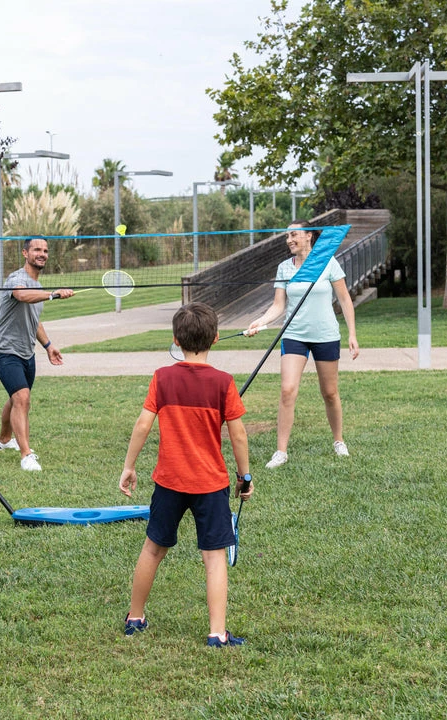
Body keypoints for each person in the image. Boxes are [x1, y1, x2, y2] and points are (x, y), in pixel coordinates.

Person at [118, 302, 253, 647]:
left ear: (175, 340)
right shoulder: (224, 382)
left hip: (169, 482)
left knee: (152, 549)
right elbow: (238, 435)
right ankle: (217, 633)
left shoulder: (162, 377)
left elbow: (143, 424)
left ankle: (135, 617)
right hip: (210, 484)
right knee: (214, 556)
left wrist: (129, 466)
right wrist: (245, 477)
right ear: (216, 338)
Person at [247, 221, 360, 468]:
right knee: (287, 390)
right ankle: (281, 452)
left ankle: (339, 441)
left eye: (294, 234)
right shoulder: (284, 268)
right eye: (287, 236)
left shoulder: (328, 262)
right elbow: (278, 305)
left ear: (309, 236)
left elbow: (344, 299)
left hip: (326, 335)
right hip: (294, 334)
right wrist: (259, 321)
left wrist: (352, 334)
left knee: (329, 393)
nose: (289, 239)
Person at [0, 237, 74, 472]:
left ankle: (4, 440)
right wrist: (53, 294)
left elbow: (33, 321)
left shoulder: (37, 285)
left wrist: (48, 346)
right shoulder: (17, 279)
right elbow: (21, 295)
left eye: (46, 250)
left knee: (17, 399)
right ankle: (26, 455)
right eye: (37, 249)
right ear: (25, 253)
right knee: (22, 398)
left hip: (27, 354)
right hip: (5, 351)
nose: (42, 253)